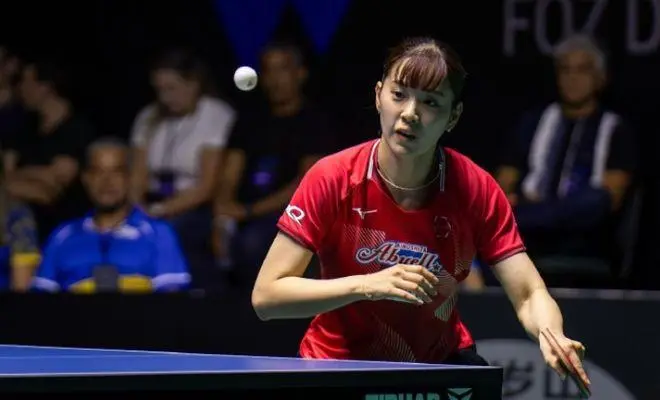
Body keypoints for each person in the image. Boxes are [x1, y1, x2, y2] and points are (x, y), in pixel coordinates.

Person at [251, 37, 590, 384]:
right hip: (337, 364)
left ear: (453, 116)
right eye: (399, 95)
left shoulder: (475, 189)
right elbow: (267, 296)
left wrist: (552, 335)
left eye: (430, 102)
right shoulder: (333, 178)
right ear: (378, 96)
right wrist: (367, 285)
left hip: (437, 366)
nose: (410, 113)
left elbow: (529, 292)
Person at [31, 137, 191, 293]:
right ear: (86, 179)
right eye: (98, 172)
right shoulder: (62, 236)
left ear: (129, 178)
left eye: (116, 172)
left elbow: (171, 303)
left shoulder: (158, 234)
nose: (107, 181)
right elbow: (39, 303)